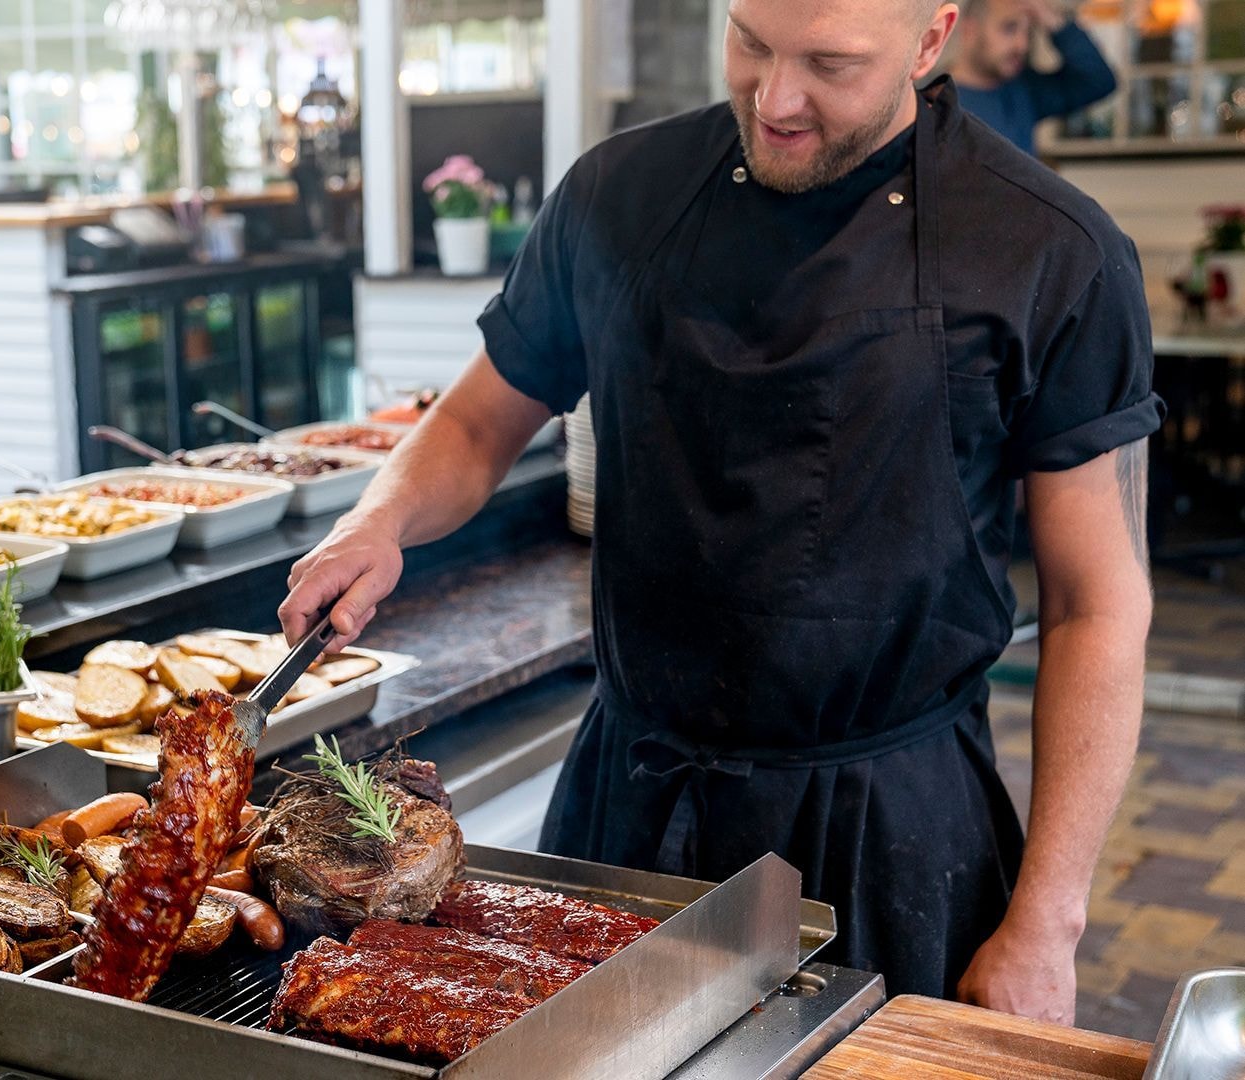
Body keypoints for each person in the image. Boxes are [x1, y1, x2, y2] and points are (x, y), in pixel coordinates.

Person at [279, 0, 1161, 1022]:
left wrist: (1046, 922)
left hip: (887, 827)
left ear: (929, 41)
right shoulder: (618, 196)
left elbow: (1095, 604)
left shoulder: (1049, 251)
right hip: (629, 798)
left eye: (828, 63)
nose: (774, 99)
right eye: (748, 42)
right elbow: (477, 422)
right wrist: (374, 523)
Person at [949, 0, 1117, 154]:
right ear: (969, 29)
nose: (1022, 45)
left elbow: (1099, 80)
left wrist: (1050, 18)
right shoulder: (934, 99)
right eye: (1009, 28)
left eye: (1028, 32)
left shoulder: (1024, 90)